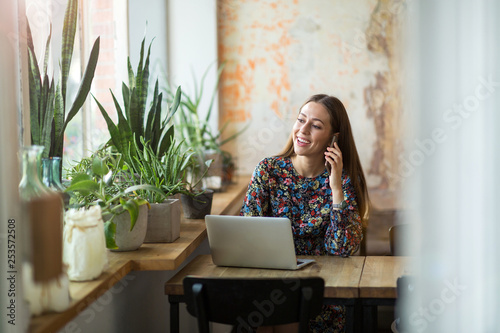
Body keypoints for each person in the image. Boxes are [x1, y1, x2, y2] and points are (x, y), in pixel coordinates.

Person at [240, 94, 370, 333]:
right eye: (301, 120)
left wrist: (336, 187)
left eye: (316, 125)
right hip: (270, 281)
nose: (303, 130)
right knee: (266, 312)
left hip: (322, 289)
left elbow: (341, 249)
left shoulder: (345, 181)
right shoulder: (268, 170)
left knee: (280, 314)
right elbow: (249, 235)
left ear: (334, 138)